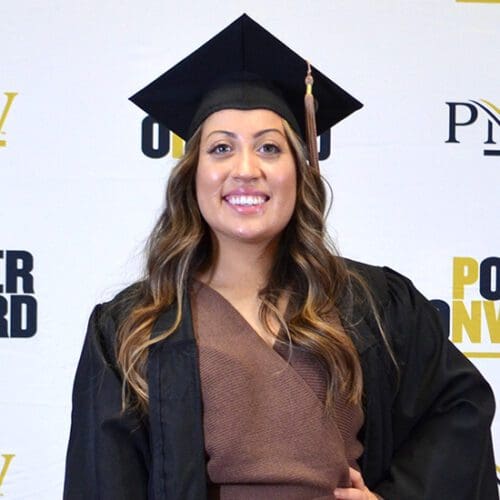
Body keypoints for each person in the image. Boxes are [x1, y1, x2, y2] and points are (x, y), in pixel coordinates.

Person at [64, 14, 498, 500]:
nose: (245, 169)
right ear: (193, 175)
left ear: (300, 170)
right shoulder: (133, 328)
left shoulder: (375, 305)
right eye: (221, 148)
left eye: (270, 148)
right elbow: (102, 484)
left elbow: (458, 411)